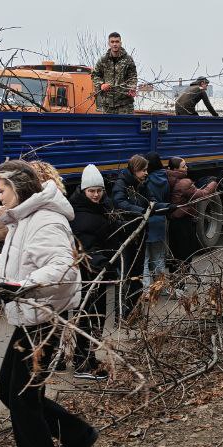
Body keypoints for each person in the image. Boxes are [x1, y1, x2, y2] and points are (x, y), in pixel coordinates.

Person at [0, 160, 96, 447]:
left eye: (2, 187)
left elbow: (62, 270)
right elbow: (4, 265)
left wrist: (22, 286)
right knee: (8, 393)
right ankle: (75, 434)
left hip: (45, 321)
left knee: (23, 402)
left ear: (21, 188)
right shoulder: (24, 219)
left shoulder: (47, 221)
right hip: (29, 320)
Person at [69, 165, 116, 380]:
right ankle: (82, 364)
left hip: (97, 272)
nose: (96, 195)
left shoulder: (100, 207)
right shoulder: (78, 213)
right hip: (86, 274)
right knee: (86, 315)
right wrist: (100, 261)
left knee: (94, 315)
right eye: (92, 191)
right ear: (83, 190)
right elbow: (83, 245)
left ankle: (88, 356)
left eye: (99, 190)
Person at [111, 154, 152, 311]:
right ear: (135, 170)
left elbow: (151, 201)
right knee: (126, 276)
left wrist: (165, 207)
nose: (146, 173)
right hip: (127, 237)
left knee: (138, 276)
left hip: (139, 235)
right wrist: (142, 211)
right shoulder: (121, 184)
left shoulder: (141, 184)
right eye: (144, 170)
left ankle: (135, 311)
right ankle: (123, 314)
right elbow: (120, 203)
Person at [166, 157, 217, 265]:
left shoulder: (166, 179)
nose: (186, 168)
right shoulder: (184, 183)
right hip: (183, 221)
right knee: (185, 255)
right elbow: (203, 195)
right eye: (184, 166)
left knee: (175, 253)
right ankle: (182, 279)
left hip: (173, 221)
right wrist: (213, 183)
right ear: (175, 169)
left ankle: (175, 279)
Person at [141, 153, 172, 290]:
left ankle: (147, 290)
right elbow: (167, 200)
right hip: (160, 220)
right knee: (159, 257)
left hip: (147, 220)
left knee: (145, 258)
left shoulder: (145, 181)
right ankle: (160, 287)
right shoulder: (165, 179)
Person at [91, 32, 138, 114]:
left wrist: (132, 88)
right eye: (112, 42)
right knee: (108, 127)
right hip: (107, 105)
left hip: (125, 104)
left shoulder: (128, 60)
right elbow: (95, 75)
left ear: (120, 43)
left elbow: (133, 77)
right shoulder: (103, 60)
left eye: (117, 41)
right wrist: (101, 84)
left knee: (125, 126)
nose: (115, 44)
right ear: (109, 43)